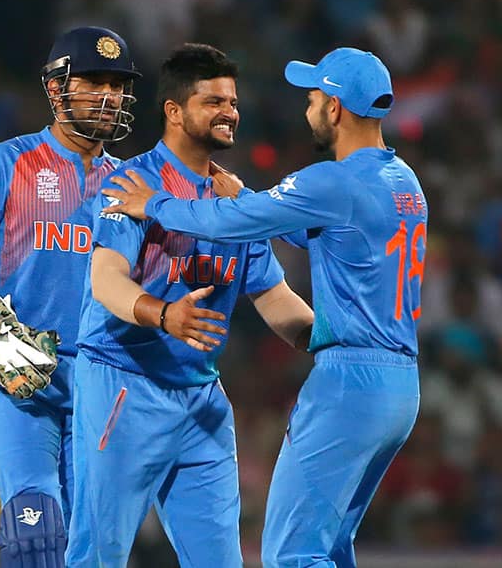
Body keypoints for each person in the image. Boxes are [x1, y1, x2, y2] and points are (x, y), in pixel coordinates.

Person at [102, 47, 427, 568]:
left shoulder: (331, 180)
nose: (307, 109)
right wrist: (251, 198)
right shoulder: (403, 182)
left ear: (336, 109)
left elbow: (234, 224)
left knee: (292, 553)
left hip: (350, 381)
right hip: (401, 387)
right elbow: (324, 232)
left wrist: (155, 203)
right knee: (330, 547)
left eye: (314, 98)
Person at [67, 43, 314, 568]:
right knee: (97, 556)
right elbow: (106, 280)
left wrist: (336, 340)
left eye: (233, 101)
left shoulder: (233, 199)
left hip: (202, 400)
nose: (229, 112)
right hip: (124, 386)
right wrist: (164, 314)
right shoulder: (132, 184)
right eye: (213, 102)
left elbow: (271, 296)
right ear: (174, 111)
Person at [0, 25, 141, 566]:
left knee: (88, 547)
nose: (110, 96)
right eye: (95, 82)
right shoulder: (6, 164)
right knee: (36, 533)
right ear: (57, 88)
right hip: (18, 376)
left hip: (99, 385)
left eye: (118, 85)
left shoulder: (132, 187)